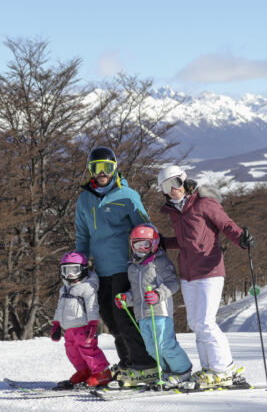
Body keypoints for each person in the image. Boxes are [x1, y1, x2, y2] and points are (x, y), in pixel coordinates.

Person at [156, 165, 256, 387]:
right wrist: (163, 243)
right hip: (188, 274)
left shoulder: (204, 202)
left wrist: (241, 238)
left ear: (184, 181)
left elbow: (226, 225)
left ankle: (224, 368)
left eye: (176, 183)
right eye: (166, 186)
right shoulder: (174, 211)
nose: (173, 190)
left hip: (210, 270)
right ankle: (209, 368)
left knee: (206, 322)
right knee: (195, 323)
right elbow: (186, 242)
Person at [74, 146, 158, 384]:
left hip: (125, 266)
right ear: (90, 170)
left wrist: (146, 259)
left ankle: (145, 364)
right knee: (110, 319)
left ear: (115, 169)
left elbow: (145, 229)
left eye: (107, 168)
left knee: (126, 318)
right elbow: (82, 235)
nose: (102, 173)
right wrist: (80, 264)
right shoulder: (85, 199)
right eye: (96, 168)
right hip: (100, 269)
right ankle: (128, 362)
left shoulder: (128, 196)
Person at [114, 223, 193, 387]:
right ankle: (167, 372)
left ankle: (182, 371)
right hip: (142, 314)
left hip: (160, 312)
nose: (141, 248)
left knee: (165, 345)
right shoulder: (133, 268)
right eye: (137, 244)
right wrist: (125, 299)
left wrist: (157, 294)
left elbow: (172, 283)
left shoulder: (161, 262)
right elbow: (136, 294)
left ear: (154, 244)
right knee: (152, 349)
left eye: (146, 245)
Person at [51, 252, 111, 389]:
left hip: (84, 327)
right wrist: (56, 324)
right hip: (69, 329)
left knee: (89, 351)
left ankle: (102, 373)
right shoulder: (64, 289)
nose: (70, 275)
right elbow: (60, 307)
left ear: (83, 270)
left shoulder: (88, 287)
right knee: (72, 351)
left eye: (74, 271)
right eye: (66, 271)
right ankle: (85, 372)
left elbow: (92, 307)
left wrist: (93, 324)